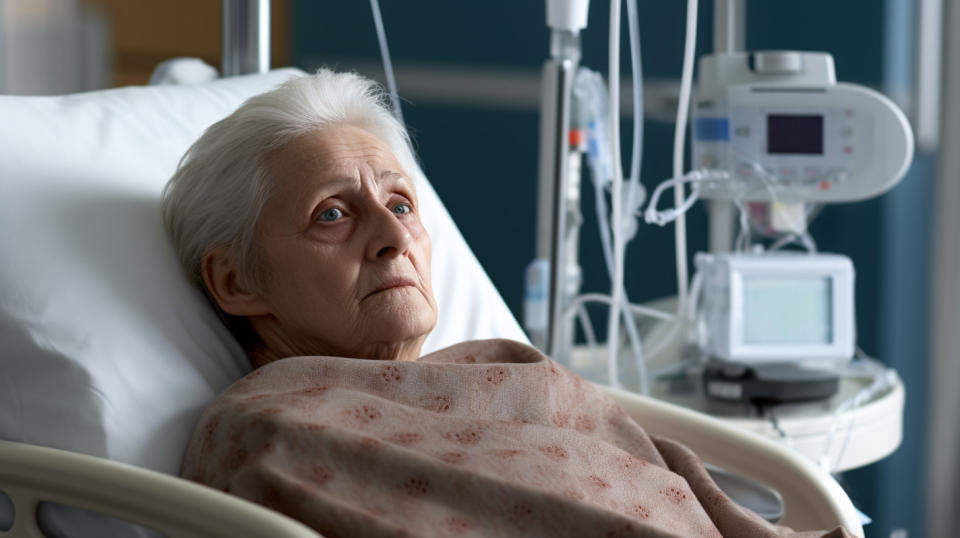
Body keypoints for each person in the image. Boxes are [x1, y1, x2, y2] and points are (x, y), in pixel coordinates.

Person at [162, 69, 850, 538]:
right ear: (235, 283)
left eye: (401, 203)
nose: (395, 236)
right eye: (334, 214)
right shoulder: (270, 429)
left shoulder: (504, 371)